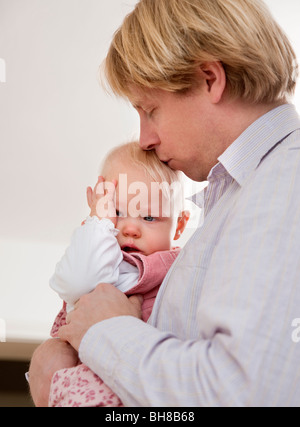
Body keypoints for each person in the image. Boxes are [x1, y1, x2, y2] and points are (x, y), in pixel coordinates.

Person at [29, 0, 300, 407]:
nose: (144, 139)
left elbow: (245, 393)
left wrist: (105, 332)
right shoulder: (242, 194)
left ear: (210, 79)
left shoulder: (285, 180)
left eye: (150, 110)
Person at [48, 141, 190, 406]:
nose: (130, 229)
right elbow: (76, 281)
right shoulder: (100, 257)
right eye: (116, 213)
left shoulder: (183, 269)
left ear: (179, 225)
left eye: (148, 218)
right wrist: (97, 227)